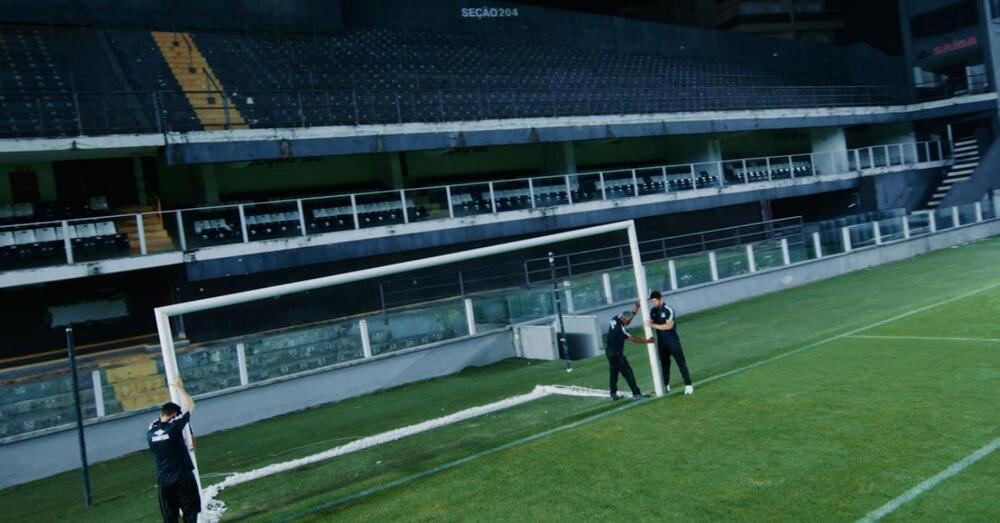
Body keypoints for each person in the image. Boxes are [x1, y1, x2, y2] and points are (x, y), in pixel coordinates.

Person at [147, 377, 200, 523]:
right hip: (182, 476)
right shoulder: (174, 426)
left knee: (170, 517)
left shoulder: (151, 429)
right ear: (174, 415)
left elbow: (163, 419)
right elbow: (190, 405)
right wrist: (178, 388)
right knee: (190, 512)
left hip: (164, 480)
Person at [646, 291, 694, 395]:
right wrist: (649, 323)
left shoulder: (668, 310)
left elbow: (668, 326)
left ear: (661, 299)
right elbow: (651, 322)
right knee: (664, 365)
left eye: (655, 301)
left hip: (672, 341)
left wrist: (653, 325)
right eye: (652, 301)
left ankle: (688, 385)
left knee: (681, 363)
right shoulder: (653, 311)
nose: (654, 303)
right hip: (661, 343)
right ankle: (666, 386)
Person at [605, 300, 654, 401]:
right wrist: (647, 341)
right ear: (623, 319)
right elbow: (633, 339)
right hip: (616, 353)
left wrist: (636, 307)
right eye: (627, 322)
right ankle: (636, 393)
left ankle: (613, 393)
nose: (628, 323)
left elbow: (628, 317)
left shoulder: (615, 318)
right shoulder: (620, 330)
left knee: (614, 372)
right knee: (628, 372)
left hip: (609, 351)